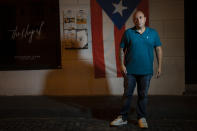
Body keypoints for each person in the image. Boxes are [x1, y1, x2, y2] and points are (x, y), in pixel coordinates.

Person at [110, 10, 163, 128]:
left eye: (140, 17)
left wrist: (159, 66)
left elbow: (158, 49)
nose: (138, 20)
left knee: (143, 95)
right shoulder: (128, 33)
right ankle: (122, 117)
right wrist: (122, 65)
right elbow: (121, 49)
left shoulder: (153, 33)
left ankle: (141, 117)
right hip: (130, 71)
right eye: (135, 18)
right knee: (127, 94)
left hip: (146, 72)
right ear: (133, 20)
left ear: (145, 19)